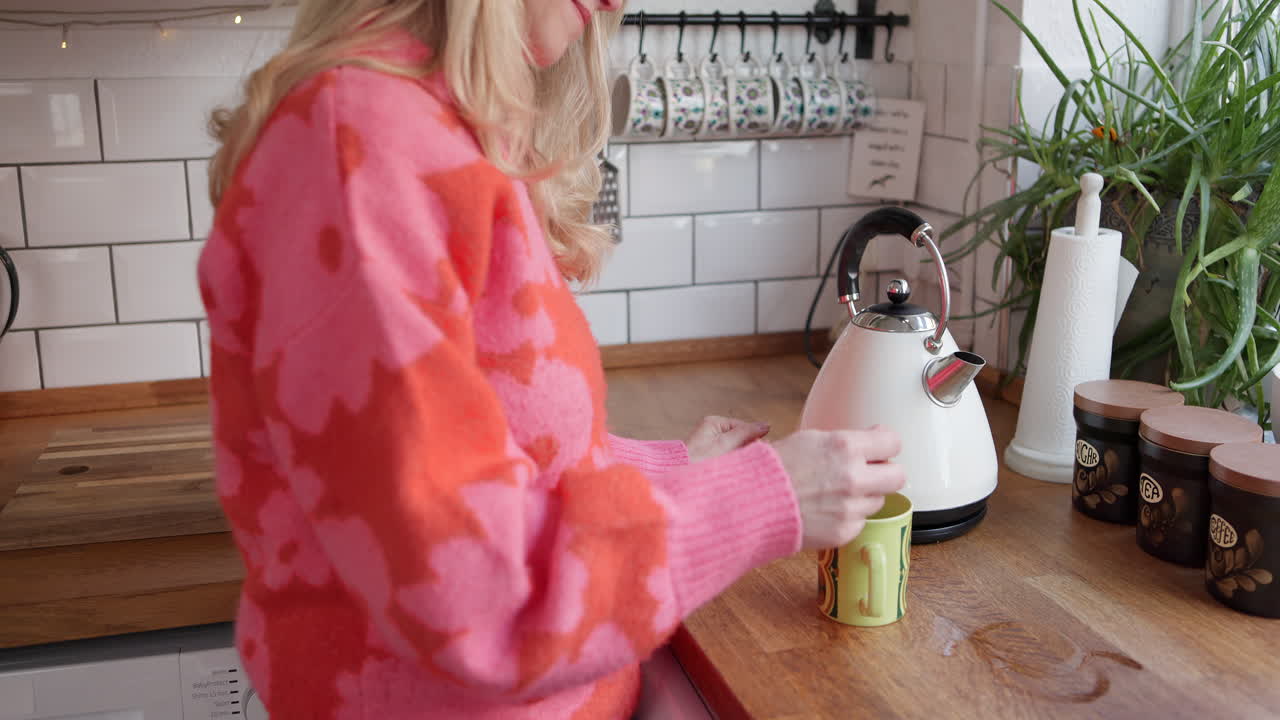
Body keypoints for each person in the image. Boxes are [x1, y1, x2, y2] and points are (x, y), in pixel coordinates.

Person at [197, 1, 906, 718]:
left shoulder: (433, 125)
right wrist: (762, 499)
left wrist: (671, 474)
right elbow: (477, 597)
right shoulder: (358, 144)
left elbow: (497, 452)